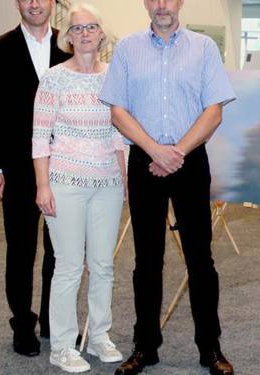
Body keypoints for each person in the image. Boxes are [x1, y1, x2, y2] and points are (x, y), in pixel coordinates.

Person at [98, 0, 236, 374]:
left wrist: (176, 152)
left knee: (200, 260)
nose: (161, 5)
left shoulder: (203, 47)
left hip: (190, 161)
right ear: (146, 3)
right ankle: (145, 347)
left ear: (180, 3)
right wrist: (155, 151)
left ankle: (210, 348)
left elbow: (214, 110)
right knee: (146, 261)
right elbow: (117, 111)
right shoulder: (127, 48)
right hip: (145, 161)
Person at [31, 3, 126, 372]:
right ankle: (62, 346)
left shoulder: (115, 76)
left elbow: (120, 135)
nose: (84, 34)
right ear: (67, 37)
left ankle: (99, 336)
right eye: (77, 29)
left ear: (101, 34)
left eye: (91, 27)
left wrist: (125, 181)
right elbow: (40, 137)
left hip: (108, 183)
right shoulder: (53, 78)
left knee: (103, 265)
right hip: (65, 183)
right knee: (69, 267)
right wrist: (43, 186)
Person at [0, 0, 71, 357]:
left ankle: (52, 317)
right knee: (20, 251)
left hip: (63, 166)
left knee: (59, 249)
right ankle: (22, 323)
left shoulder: (68, 45)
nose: (34, 3)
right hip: (17, 169)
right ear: (18, 3)